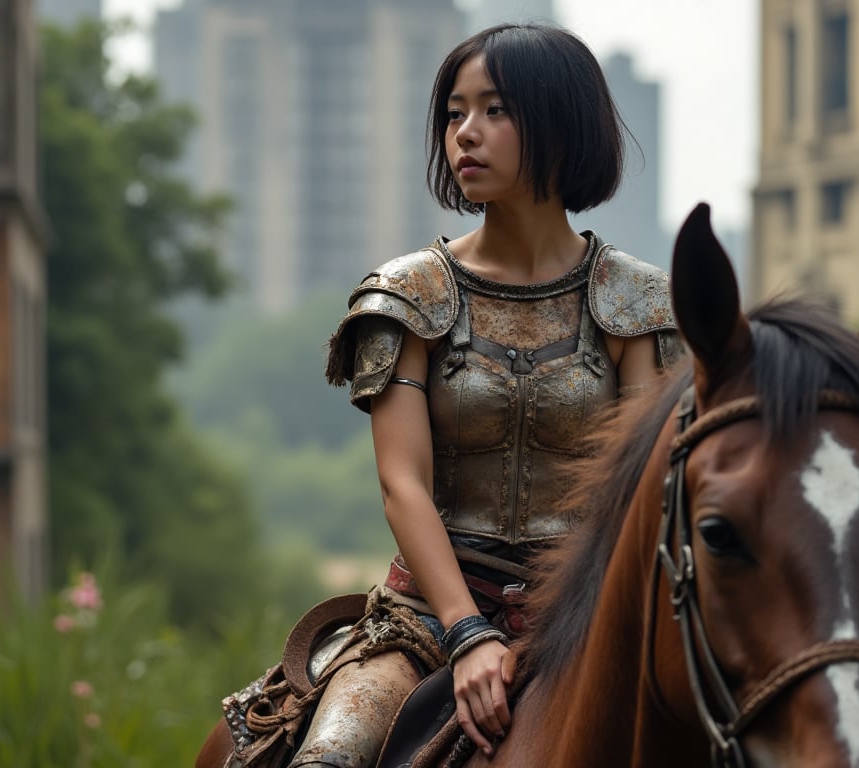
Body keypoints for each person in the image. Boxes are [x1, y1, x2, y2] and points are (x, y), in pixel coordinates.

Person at [214, 22, 683, 768]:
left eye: (496, 111)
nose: (466, 133)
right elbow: (404, 484)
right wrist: (467, 632)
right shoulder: (409, 296)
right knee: (326, 760)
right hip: (426, 619)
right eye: (454, 113)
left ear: (561, 124)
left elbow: (645, 488)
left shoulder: (642, 303)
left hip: (594, 615)